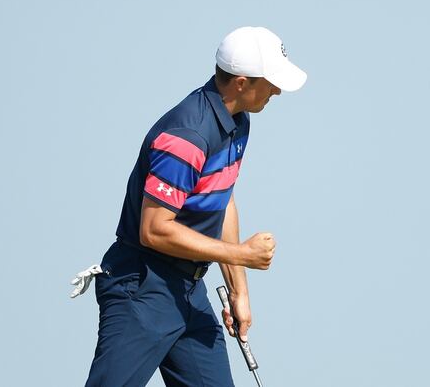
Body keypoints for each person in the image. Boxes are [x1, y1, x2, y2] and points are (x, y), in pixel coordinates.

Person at [75, 26, 307, 387]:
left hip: (188, 291)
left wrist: (239, 290)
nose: (276, 90)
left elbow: (221, 196)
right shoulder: (188, 136)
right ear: (242, 83)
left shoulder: (238, 121)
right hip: (142, 288)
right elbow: (154, 230)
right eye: (270, 81)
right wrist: (241, 254)